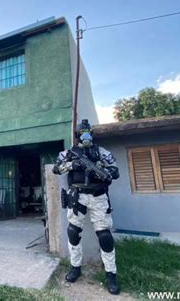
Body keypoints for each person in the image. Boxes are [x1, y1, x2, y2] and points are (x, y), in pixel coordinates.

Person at [52, 119, 121, 295]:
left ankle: (111, 273)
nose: (86, 135)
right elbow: (56, 169)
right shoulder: (69, 153)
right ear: (77, 135)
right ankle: (76, 267)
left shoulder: (101, 152)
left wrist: (103, 172)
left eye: (89, 131)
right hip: (77, 197)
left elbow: (115, 171)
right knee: (74, 232)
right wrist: (72, 164)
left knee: (104, 235)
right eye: (83, 132)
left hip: (98, 197)